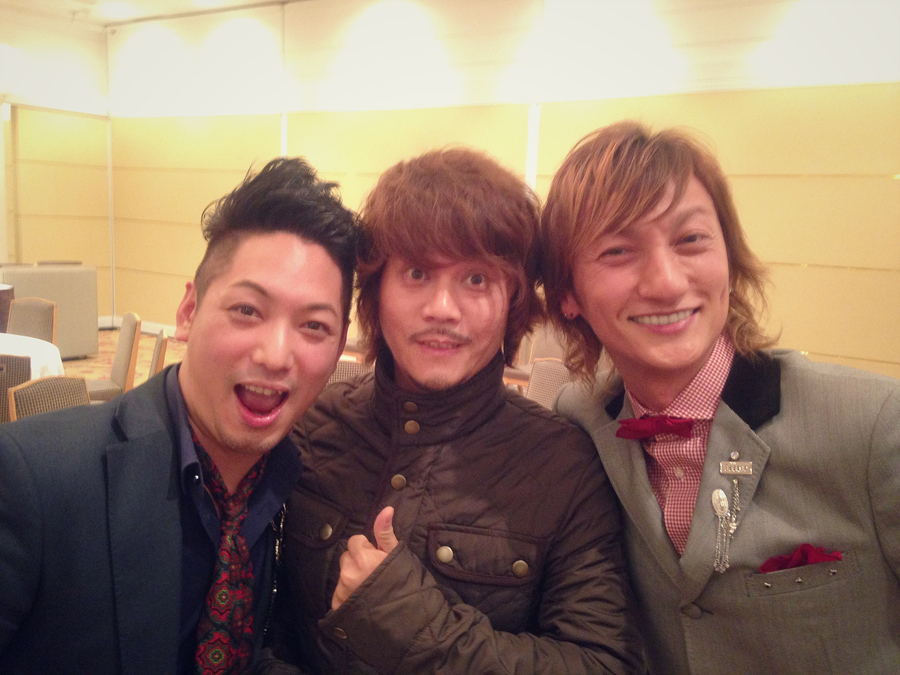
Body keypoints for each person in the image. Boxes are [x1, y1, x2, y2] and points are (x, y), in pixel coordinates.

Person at [262, 148, 644, 674]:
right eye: (417, 273)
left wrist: (414, 625)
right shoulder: (313, 425)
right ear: (376, 292)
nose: (442, 309)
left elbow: (603, 663)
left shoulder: (564, 466)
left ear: (513, 302)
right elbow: (267, 619)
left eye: (476, 279)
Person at [540, 120, 900, 674]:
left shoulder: (873, 425)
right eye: (617, 250)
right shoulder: (579, 421)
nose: (665, 282)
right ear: (567, 294)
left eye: (690, 240)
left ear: (729, 261)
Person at [0, 157, 360, 675]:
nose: (276, 355)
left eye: (314, 326)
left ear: (340, 348)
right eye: (247, 311)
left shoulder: (294, 489)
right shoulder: (31, 477)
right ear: (188, 312)